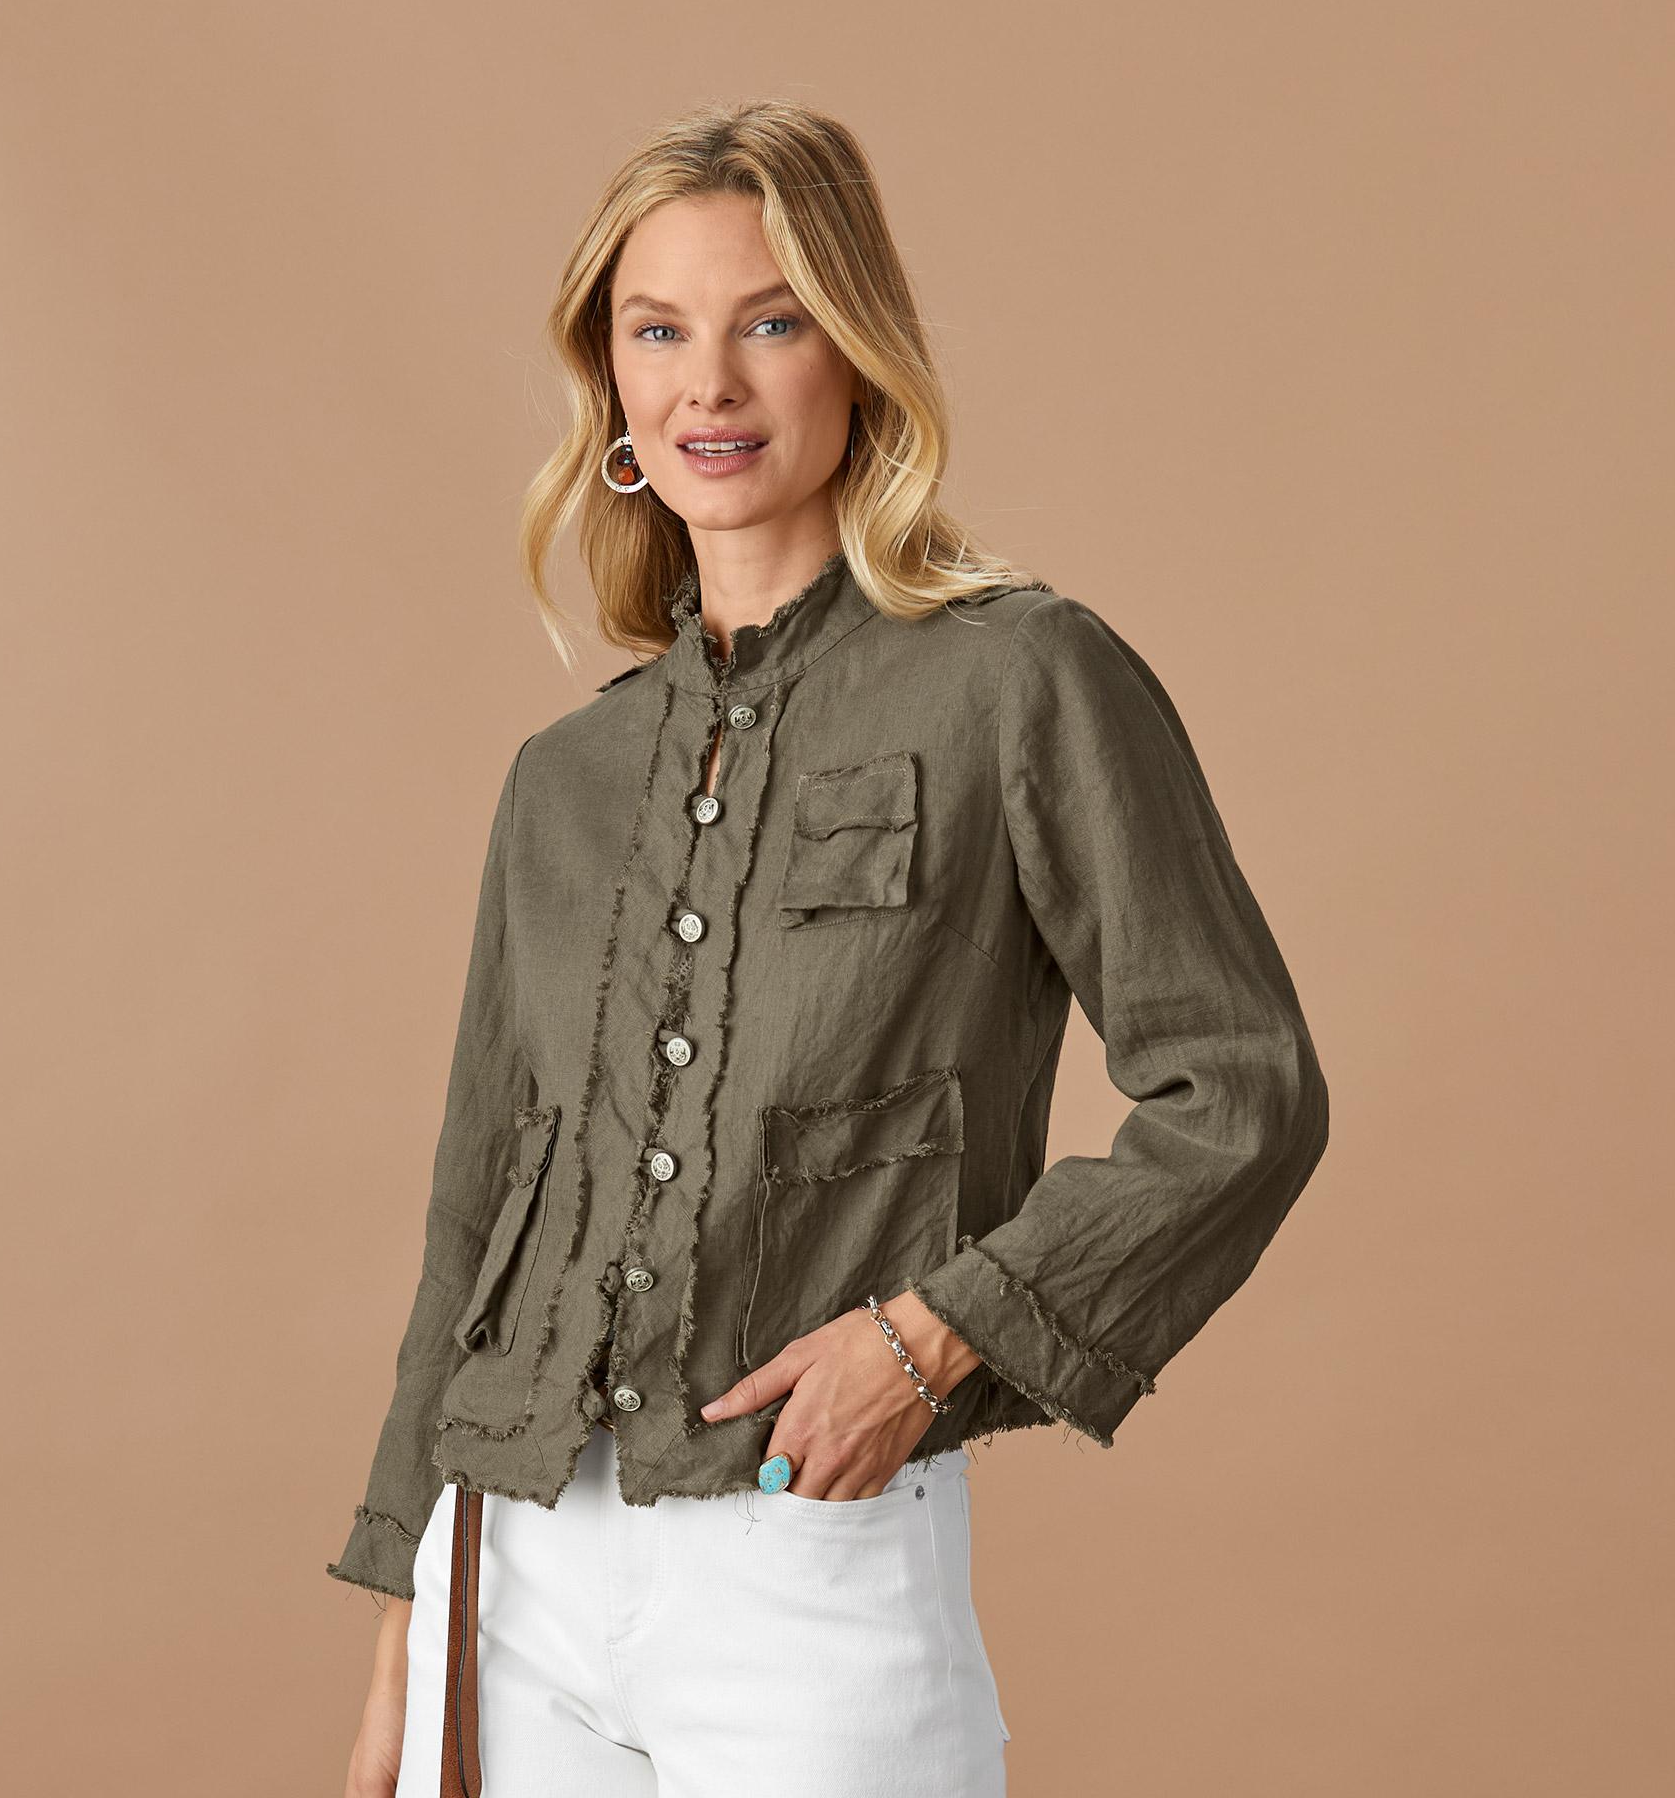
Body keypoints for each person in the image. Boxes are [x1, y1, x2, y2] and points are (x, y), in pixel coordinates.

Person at [332, 98, 1330, 1798]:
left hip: (806, 1563)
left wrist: (929, 1338)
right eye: (659, 332)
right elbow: (476, 1208)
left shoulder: (1021, 679)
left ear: (858, 352)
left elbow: (1243, 1091)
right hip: (507, 1572)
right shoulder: (564, 778)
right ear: (611, 382)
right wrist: (402, 1625)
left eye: (770, 323)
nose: (708, 386)